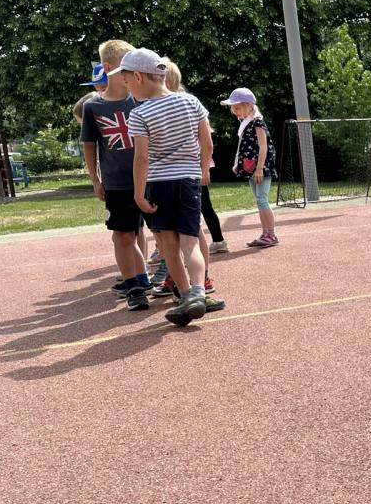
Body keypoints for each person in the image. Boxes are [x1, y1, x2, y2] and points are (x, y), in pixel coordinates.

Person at [120, 48, 221, 326]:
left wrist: (138, 193)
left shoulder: (139, 114)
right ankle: (199, 291)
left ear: (138, 77)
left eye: (127, 82)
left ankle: (187, 295)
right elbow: (207, 143)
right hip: (189, 181)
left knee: (169, 245)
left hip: (159, 183)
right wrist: (202, 171)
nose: (128, 88)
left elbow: (141, 158)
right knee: (191, 241)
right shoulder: (191, 102)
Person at [78, 47, 151, 312]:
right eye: (127, 64)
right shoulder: (93, 107)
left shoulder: (142, 101)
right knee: (122, 235)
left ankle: (170, 280)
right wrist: (95, 180)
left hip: (149, 179)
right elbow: (89, 146)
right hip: (117, 183)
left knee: (161, 232)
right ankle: (133, 287)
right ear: (109, 68)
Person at [159, 58, 220, 299]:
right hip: (180, 175)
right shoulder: (165, 106)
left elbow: (206, 141)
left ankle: (200, 278)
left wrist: (204, 170)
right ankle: (181, 276)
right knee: (180, 232)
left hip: (187, 174)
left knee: (189, 231)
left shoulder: (184, 104)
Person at [224, 87, 279, 248]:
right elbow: (242, 146)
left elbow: (263, 146)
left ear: (249, 105)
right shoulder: (245, 123)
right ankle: (265, 233)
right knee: (259, 200)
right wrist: (237, 163)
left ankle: (271, 234)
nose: (235, 112)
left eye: (237, 108)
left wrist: (260, 168)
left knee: (262, 199)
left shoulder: (257, 121)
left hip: (261, 167)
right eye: (233, 109)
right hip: (251, 167)